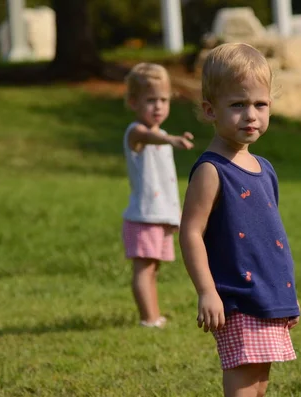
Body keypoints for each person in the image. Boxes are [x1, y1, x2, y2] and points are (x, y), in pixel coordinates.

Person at [179, 43, 300, 397]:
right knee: (244, 387)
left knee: (260, 385)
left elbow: (271, 237)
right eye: (237, 105)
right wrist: (206, 291)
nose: (251, 115)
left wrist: (286, 293)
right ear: (210, 110)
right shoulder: (212, 170)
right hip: (237, 297)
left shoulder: (265, 169)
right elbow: (191, 233)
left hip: (267, 296)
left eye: (260, 104)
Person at [122, 63, 194, 328]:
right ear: (133, 102)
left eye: (164, 100)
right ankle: (148, 318)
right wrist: (172, 140)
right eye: (150, 100)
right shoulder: (136, 133)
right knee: (144, 268)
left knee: (154, 269)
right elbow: (145, 136)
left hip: (160, 215)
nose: (158, 106)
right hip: (144, 216)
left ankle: (154, 314)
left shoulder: (161, 134)